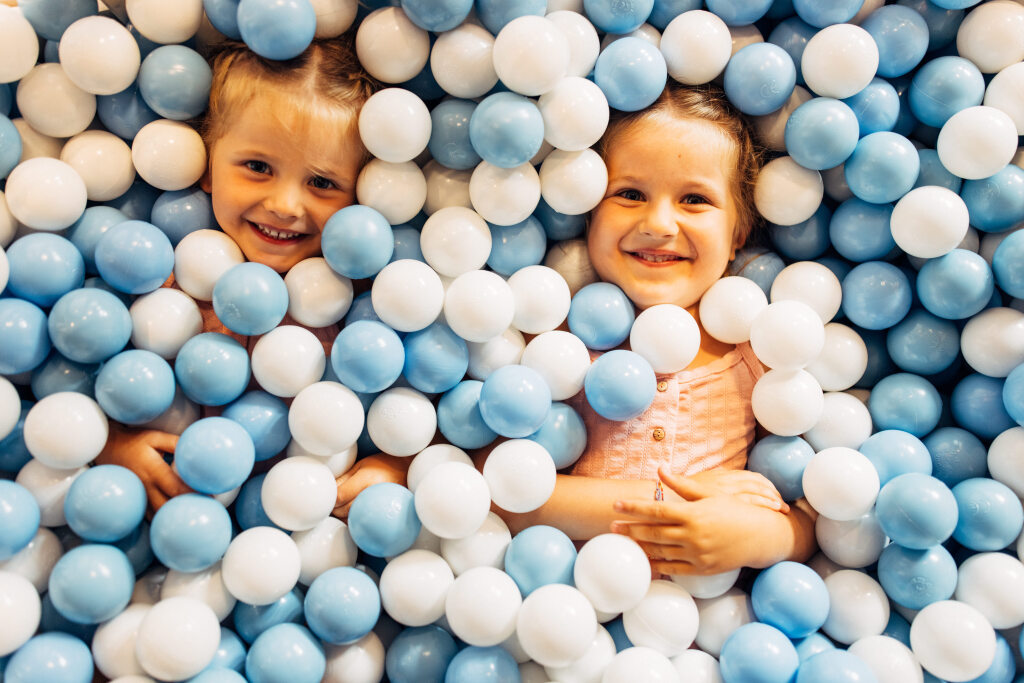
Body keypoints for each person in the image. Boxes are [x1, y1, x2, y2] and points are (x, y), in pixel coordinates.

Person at [486, 82, 817, 575]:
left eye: (694, 199)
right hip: (567, 594)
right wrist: (666, 502)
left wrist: (758, 535)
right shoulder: (555, 347)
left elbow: (811, 519)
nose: (659, 224)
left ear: (738, 234)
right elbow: (501, 490)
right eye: (630, 194)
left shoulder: (759, 355)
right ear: (588, 212)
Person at [96, 35, 377, 510]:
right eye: (258, 166)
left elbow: (412, 413)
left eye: (322, 182)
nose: (285, 205)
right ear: (207, 163)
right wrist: (112, 446)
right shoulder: (159, 283)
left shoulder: (363, 307)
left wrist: (392, 466)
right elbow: (87, 393)